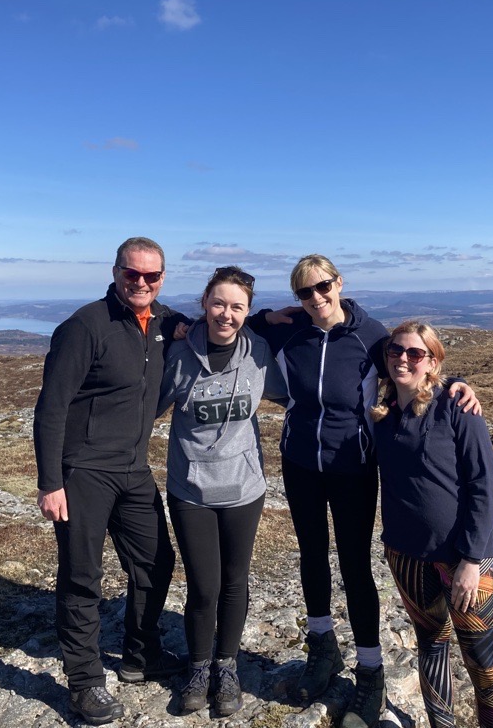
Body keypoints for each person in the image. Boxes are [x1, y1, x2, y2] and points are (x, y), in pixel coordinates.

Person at [250, 255, 479, 728]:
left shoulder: (370, 334)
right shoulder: (287, 331)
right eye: (304, 292)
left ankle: (370, 672)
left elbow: (414, 366)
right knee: (311, 554)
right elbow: (224, 321)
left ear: (339, 283)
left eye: (322, 287)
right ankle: (322, 650)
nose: (316, 298)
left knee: (354, 565)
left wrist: (457, 385)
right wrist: (264, 316)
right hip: (299, 463)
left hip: (352, 466)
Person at [33, 236, 189, 726]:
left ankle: (141, 656)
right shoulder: (84, 326)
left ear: (162, 277)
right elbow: (51, 408)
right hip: (83, 472)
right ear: (116, 271)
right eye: (132, 274)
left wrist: (272, 318)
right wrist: (49, 481)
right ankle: (84, 683)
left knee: (156, 563)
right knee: (83, 576)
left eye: (152, 276)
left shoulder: (164, 323)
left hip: (134, 469)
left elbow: (219, 318)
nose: (141, 283)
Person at [157, 265, 288, 717]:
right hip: (190, 489)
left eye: (237, 307)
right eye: (218, 304)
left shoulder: (259, 353)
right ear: (204, 304)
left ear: (248, 312)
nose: (226, 315)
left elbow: (301, 392)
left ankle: (227, 667)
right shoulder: (178, 354)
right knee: (203, 585)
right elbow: (140, 404)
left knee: (235, 580)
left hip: (244, 488)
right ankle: (198, 667)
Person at [370, 320, 493, 728]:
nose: (403, 359)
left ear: (432, 362)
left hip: (465, 559)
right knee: (430, 646)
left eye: (415, 354)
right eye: (395, 351)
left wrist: (471, 560)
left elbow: (484, 485)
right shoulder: (382, 414)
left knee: (484, 663)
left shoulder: (456, 406)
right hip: (406, 553)